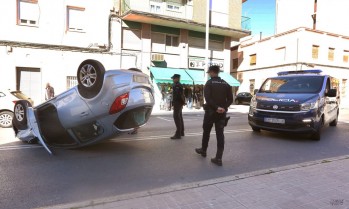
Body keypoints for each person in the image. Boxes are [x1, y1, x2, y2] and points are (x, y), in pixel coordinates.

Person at [195, 65, 233, 166]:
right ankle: (219, 158)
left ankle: (203, 150)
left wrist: (216, 108)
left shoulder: (209, 83)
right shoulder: (226, 84)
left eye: (209, 73)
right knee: (220, 134)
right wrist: (223, 108)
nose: (209, 74)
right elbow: (230, 99)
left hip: (210, 113)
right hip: (221, 114)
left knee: (206, 132)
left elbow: (208, 98)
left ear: (212, 72)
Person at [171, 74, 185, 139]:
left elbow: (177, 96)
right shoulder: (179, 85)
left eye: (174, 78)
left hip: (177, 103)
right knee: (180, 117)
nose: (173, 80)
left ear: (177, 78)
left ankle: (178, 134)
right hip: (179, 103)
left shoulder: (177, 85)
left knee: (176, 117)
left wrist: (174, 104)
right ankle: (181, 132)